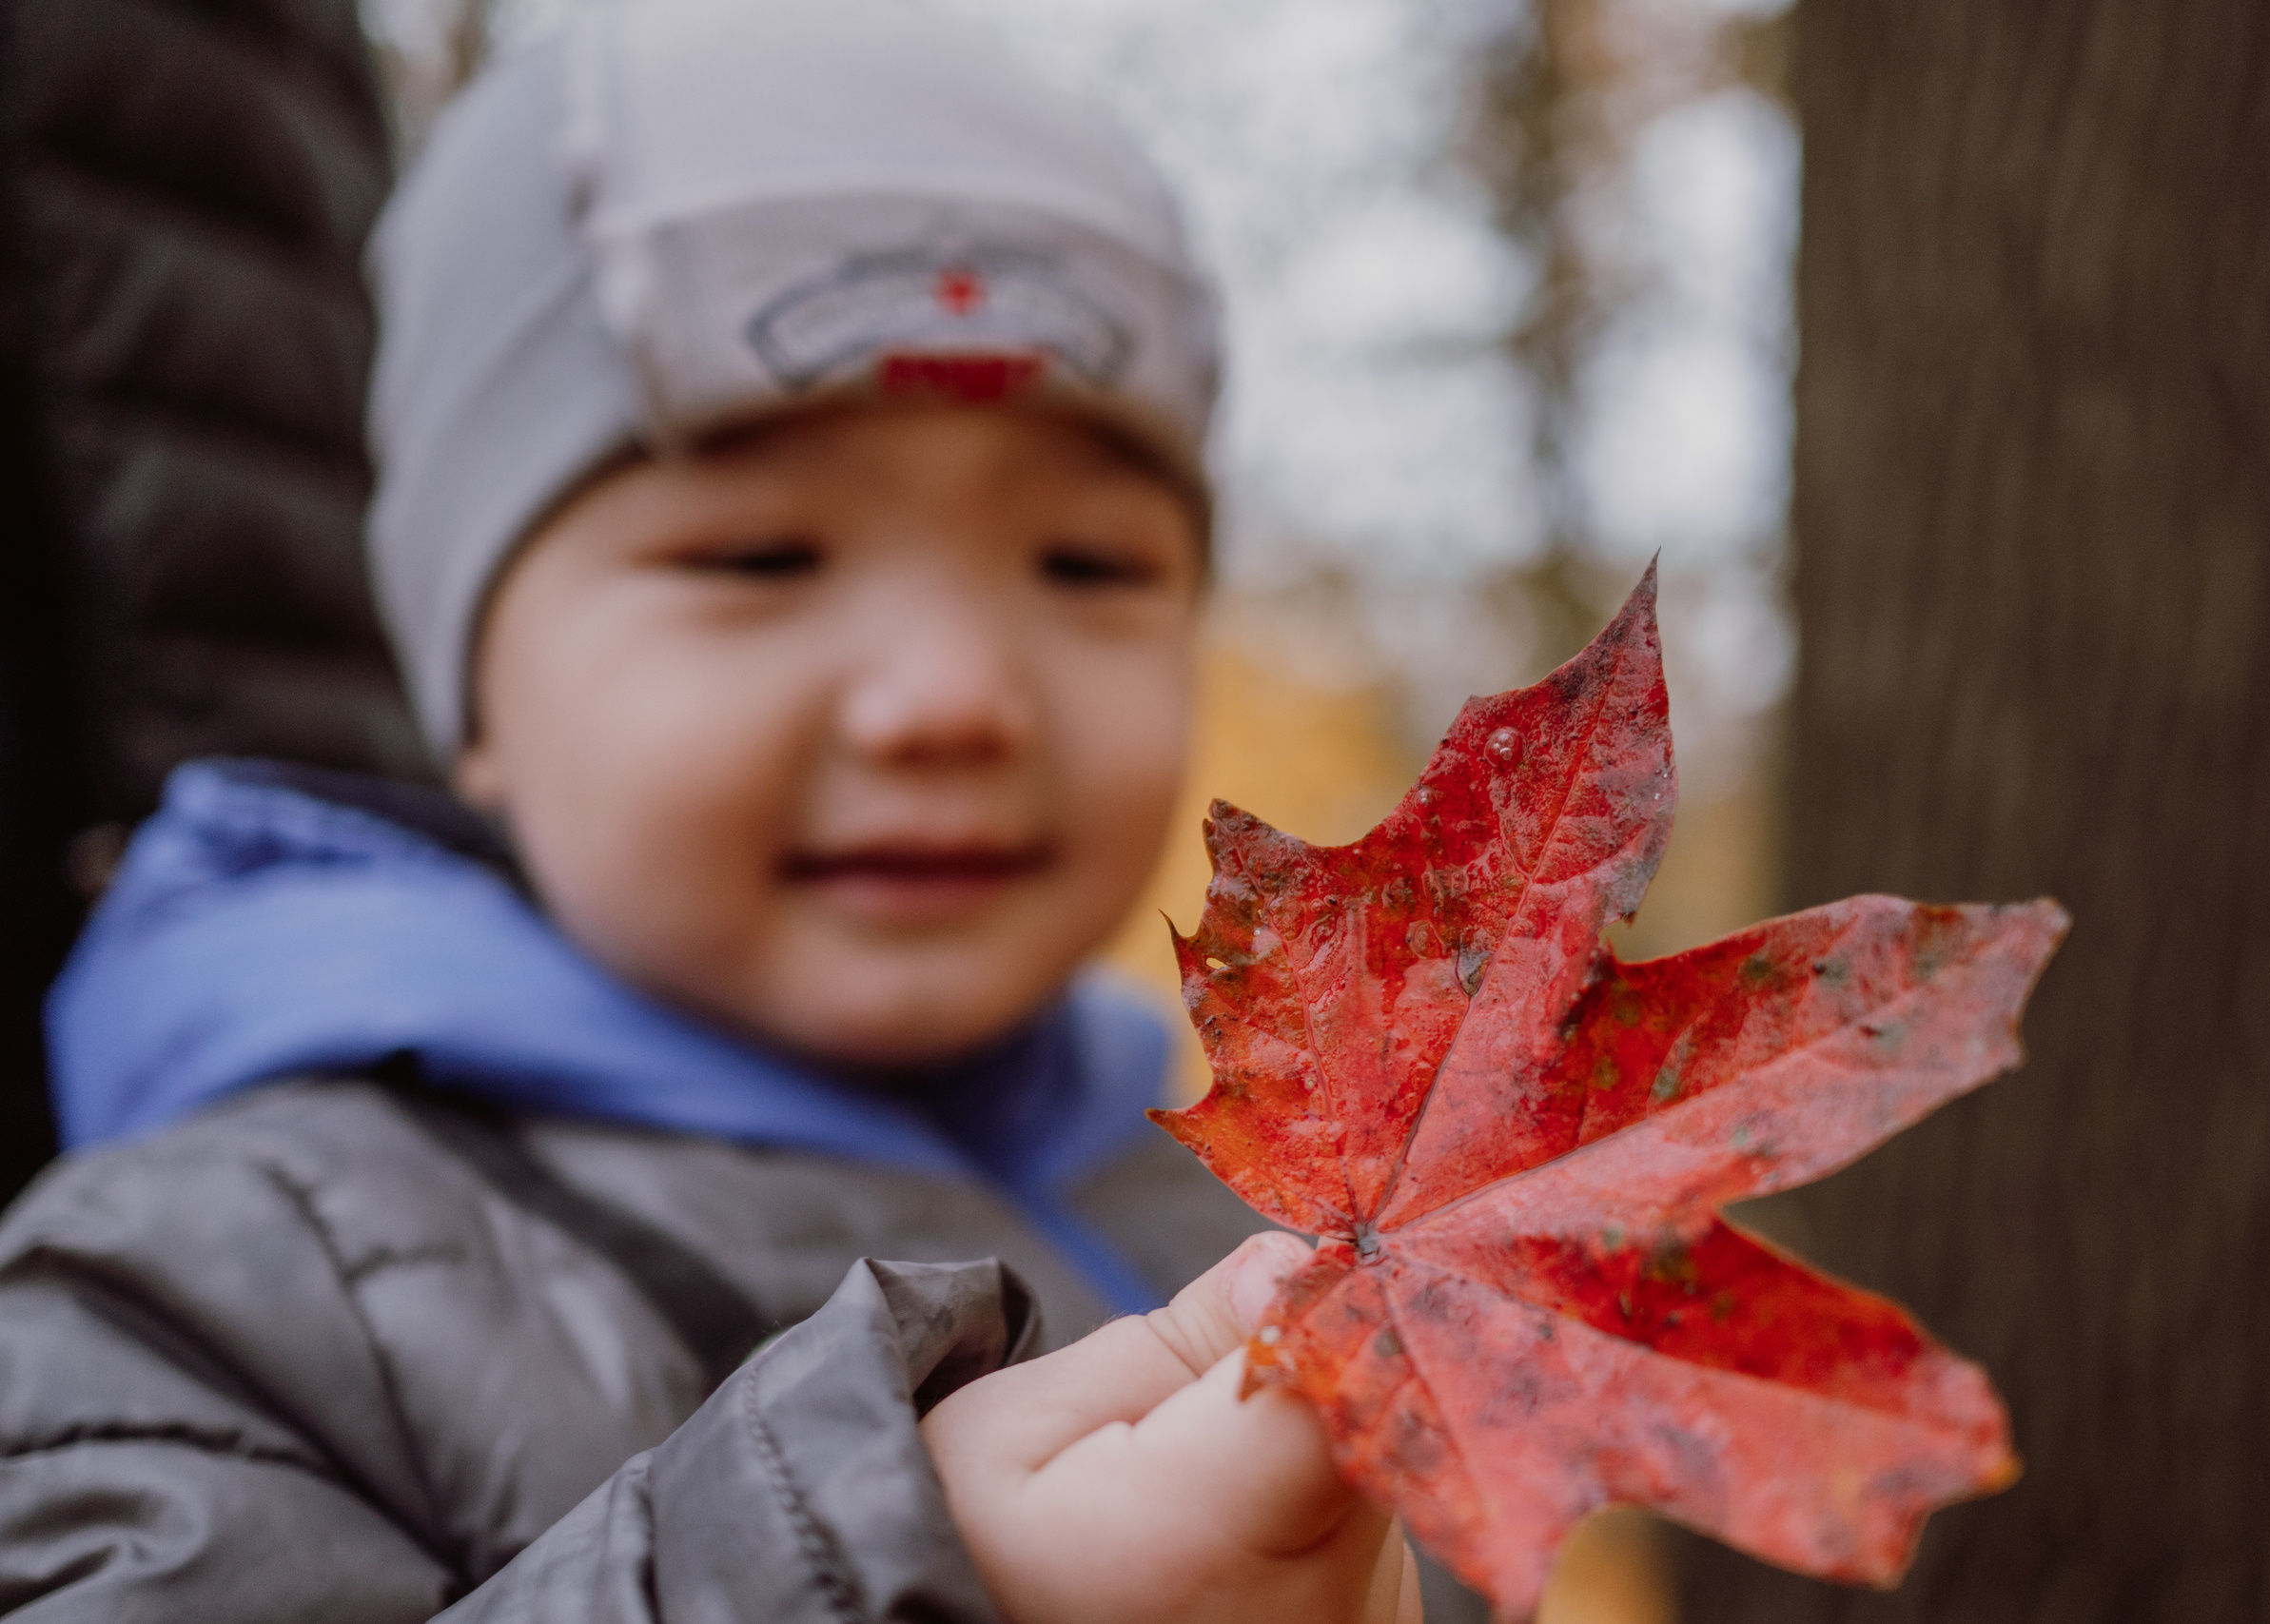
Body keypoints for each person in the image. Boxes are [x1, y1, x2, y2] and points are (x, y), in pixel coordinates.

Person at [0, 3, 1434, 1619]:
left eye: (1088, 565)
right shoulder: (204, 1289)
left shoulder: (1248, 1209)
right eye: (762, 559)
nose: (954, 695)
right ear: (472, 695)